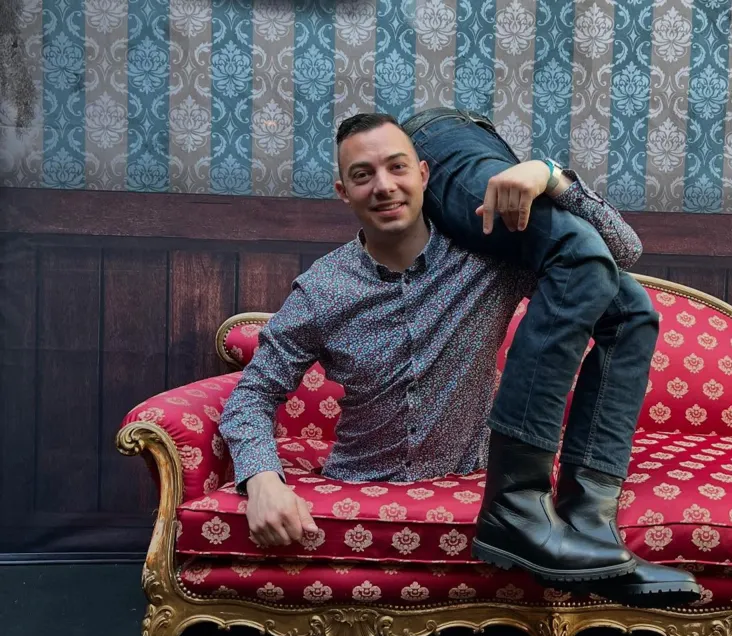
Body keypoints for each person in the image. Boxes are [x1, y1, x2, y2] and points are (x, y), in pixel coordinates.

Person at [219, 108, 700, 607]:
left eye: (397, 167)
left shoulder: (488, 262)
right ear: (344, 192)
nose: (384, 186)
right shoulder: (322, 290)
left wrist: (550, 176)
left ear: (424, 174)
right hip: (357, 481)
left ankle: (594, 536)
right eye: (363, 175)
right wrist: (262, 479)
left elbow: (619, 251)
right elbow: (253, 395)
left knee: (633, 310)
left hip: (470, 483)